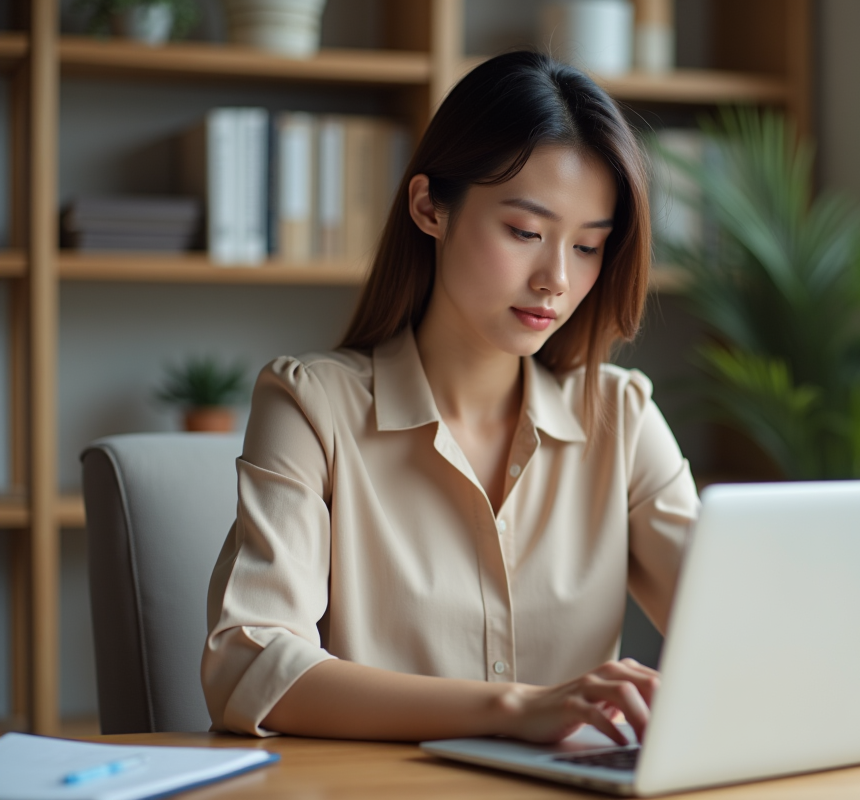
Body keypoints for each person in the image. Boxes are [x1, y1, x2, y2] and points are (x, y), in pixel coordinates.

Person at [201, 51, 699, 748]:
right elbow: (249, 665)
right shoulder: (310, 407)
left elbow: (737, 632)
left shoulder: (620, 416)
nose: (556, 278)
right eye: (525, 233)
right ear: (429, 207)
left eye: (588, 247)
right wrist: (516, 709)